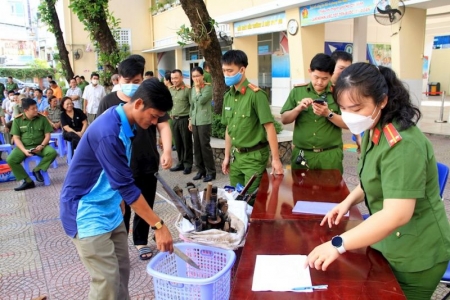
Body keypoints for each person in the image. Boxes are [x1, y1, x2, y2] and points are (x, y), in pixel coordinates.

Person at [305, 62, 450, 300]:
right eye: (343, 108)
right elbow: (371, 179)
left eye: (356, 108)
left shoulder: (403, 144)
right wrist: (346, 203)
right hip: (388, 243)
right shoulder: (375, 127)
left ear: (382, 101)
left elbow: (397, 214)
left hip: (416, 253)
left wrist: (338, 243)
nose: (350, 116)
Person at [60, 79, 174, 300]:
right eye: (153, 116)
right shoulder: (108, 131)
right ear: (139, 103)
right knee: (107, 284)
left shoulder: (124, 119)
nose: (154, 122)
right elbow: (127, 187)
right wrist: (158, 225)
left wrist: (118, 200)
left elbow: (117, 173)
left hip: (110, 208)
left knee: (121, 274)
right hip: (87, 212)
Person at [98, 57, 173, 260]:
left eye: (137, 80)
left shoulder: (149, 101)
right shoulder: (109, 112)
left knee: (144, 203)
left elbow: (164, 125)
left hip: (146, 161)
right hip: (118, 169)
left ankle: (140, 241)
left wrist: (167, 151)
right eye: (128, 79)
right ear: (119, 79)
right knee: (122, 206)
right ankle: (119, 244)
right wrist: (159, 226)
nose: (132, 84)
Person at [221, 50, 283, 199]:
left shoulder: (256, 95)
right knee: (235, 198)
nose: (226, 75)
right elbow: (229, 129)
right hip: (236, 158)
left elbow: (269, 127)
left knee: (251, 201)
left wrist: (276, 159)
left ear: (242, 70)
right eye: (224, 71)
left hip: (254, 158)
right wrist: (227, 156)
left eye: (230, 71)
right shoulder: (227, 97)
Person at [280, 53, 347, 174]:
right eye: (316, 77)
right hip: (303, 155)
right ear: (309, 71)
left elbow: (348, 124)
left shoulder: (339, 93)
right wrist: (298, 109)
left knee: (331, 191)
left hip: (329, 156)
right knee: (301, 191)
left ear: (331, 75)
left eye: (325, 78)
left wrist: (328, 114)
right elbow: (284, 119)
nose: (320, 82)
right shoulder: (297, 92)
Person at [6, 98, 57, 191]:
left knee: (52, 152)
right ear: (25, 110)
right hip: (24, 146)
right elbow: (16, 138)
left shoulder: (42, 118)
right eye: (33, 108)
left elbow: (47, 135)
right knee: (11, 159)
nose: (36, 110)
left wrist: (41, 146)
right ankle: (28, 181)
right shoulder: (17, 120)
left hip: (40, 145)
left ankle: (37, 170)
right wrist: (24, 151)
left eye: (36, 107)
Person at [188, 66, 215, 182]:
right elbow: (192, 105)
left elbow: (202, 100)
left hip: (204, 120)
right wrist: (190, 119)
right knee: (197, 146)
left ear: (202, 75)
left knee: (205, 146)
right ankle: (201, 170)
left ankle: (211, 172)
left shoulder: (207, 88)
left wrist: (198, 89)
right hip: (195, 120)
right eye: (193, 76)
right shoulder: (193, 88)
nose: (196, 78)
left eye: (198, 75)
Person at [169, 69, 193, 174]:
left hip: (185, 119)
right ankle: (180, 163)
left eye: (176, 78)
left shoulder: (187, 89)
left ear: (182, 78)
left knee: (186, 143)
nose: (174, 80)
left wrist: (190, 120)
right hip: (174, 119)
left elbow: (192, 105)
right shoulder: (171, 90)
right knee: (178, 143)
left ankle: (188, 165)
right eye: (172, 78)